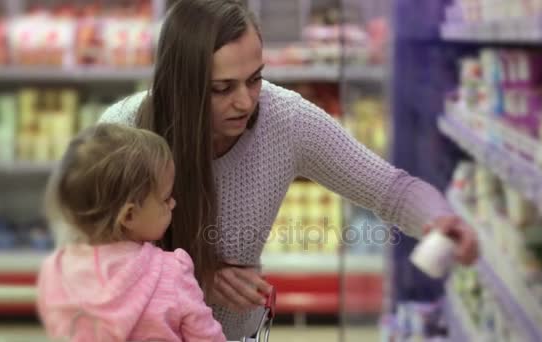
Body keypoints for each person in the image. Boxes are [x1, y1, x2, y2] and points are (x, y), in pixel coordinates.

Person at [99, 0, 479, 339]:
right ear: (181, 85)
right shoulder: (123, 129)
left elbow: (389, 189)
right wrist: (197, 277)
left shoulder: (285, 120)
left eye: (254, 79)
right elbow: (92, 260)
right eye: (221, 88)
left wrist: (440, 217)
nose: (245, 101)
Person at [36, 123, 226, 342]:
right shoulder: (171, 272)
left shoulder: (55, 271)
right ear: (129, 216)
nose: (173, 203)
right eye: (165, 199)